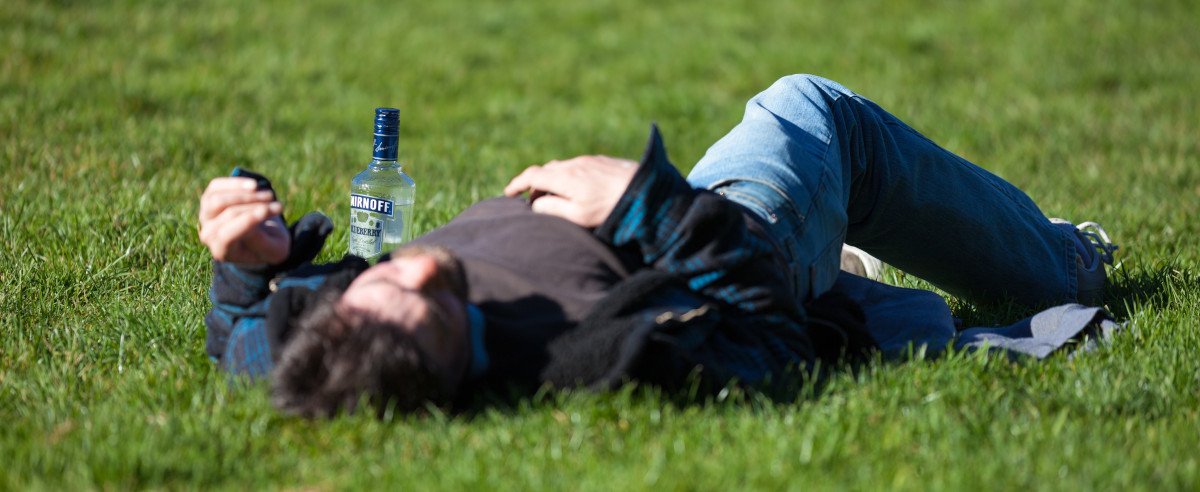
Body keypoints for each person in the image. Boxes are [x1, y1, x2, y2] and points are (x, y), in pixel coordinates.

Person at [198, 75, 1118, 418]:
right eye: (437, 306)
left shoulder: (322, 349)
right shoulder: (600, 361)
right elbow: (767, 338)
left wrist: (244, 256)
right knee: (810, 111)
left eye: (383, 282)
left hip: (676, 225)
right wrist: (645, 206)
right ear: (448, 370)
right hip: (723, 235)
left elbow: (244, 330)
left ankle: (854, 272)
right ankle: (1063, 261)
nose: (423, 266)